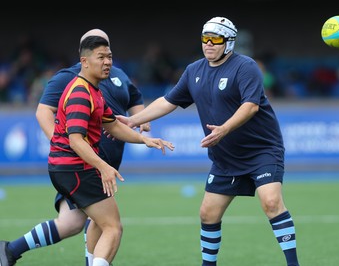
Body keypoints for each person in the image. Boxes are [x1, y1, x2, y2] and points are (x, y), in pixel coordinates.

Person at [117, 17, 300, 266]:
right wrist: (132, 120)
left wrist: (224, 128)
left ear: (229, 43)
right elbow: (168, 101)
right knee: (208, 213)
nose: (209, 44)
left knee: (271, 202)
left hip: (261, 151)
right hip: (225, 157)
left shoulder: (246, 67)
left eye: (216, 39)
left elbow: (251, 106)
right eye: (205, 39)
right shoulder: (194, 71)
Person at [0, 35, 174, 266]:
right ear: (84, 61)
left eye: (109, 57)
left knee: (95, 223)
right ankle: (10, 251)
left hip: (73, 168)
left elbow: (112, 125)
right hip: (76, 169)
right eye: (101, 57)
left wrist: (146, 140)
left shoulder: (95, 91)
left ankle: (10, 251)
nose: (107, 62)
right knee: (112, 228)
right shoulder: (80, 93)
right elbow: (76, 141)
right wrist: (103, 167)